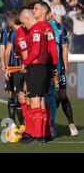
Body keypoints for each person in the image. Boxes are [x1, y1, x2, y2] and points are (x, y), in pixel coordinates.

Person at [19, 9, 53, 144]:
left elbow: (35, 51)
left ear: (27, 19)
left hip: (37, 67)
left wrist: (24, 63)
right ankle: (41, 136)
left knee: (35, 101)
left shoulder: (36, 30)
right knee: (41, 101)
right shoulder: (39, 28)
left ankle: (38, 137)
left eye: (23, 23)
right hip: (42, 67)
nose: (23, 26)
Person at [48, 13, 79, 137]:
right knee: (49, 97)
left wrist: (65, 66)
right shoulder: (39, 27)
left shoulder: (59, 28)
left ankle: (71, 123)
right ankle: (50, 126)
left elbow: (64, 48)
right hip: (45, 68)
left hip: (58, 67)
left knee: (62, 95)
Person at [32, 2, 58, 139]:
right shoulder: (34, 26)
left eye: (36, 8)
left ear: (43, 12)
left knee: (44, 98)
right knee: (38, 98)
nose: (33, 10)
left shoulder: (47, 28)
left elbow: (53, 49)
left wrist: (54, 67)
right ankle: (40, 130)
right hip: (35, 66)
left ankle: (47, 129)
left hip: (44, 66)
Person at [3, 9, 27, 132]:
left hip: (16, 69)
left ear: (11, 21)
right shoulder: (26, 30)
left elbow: (7, 52)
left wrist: (6, 68)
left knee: (15, 97)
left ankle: (20, 124)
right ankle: (21, 124)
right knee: (19, 96)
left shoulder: (15, 32)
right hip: (24, 68)